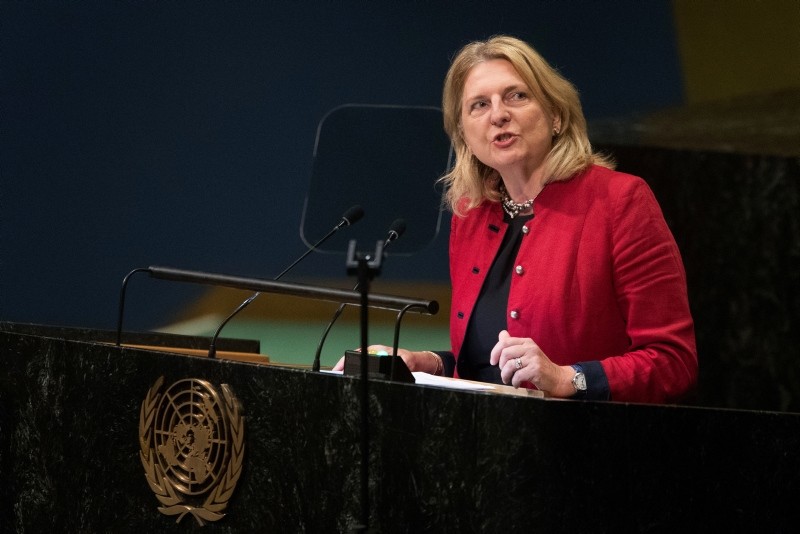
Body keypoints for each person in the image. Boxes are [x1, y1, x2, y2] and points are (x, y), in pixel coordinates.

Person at [336, 35, 697, 404]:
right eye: (479, 105)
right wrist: (425, 364)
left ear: (555, 115)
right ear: (464, 135)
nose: (498, 114)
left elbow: (673, 362)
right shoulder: (471, 215)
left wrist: (569, 378)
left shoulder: (620, 201)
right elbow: (485, 366)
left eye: (517, 96)